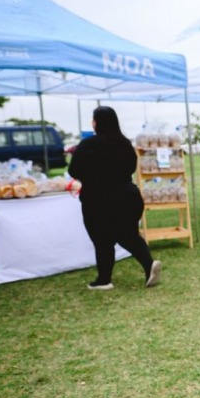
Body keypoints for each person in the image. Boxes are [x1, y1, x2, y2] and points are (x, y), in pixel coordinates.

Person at [68, 106, 161, 290]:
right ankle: (149, 264)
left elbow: (73, 170)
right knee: (128, 235)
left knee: (102, 240)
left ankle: (104, 280)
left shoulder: (88, 145)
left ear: (96, 122)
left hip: (98, 199)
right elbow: (131, 168)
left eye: (93, 120)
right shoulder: (125, 143)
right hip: (128, 197)